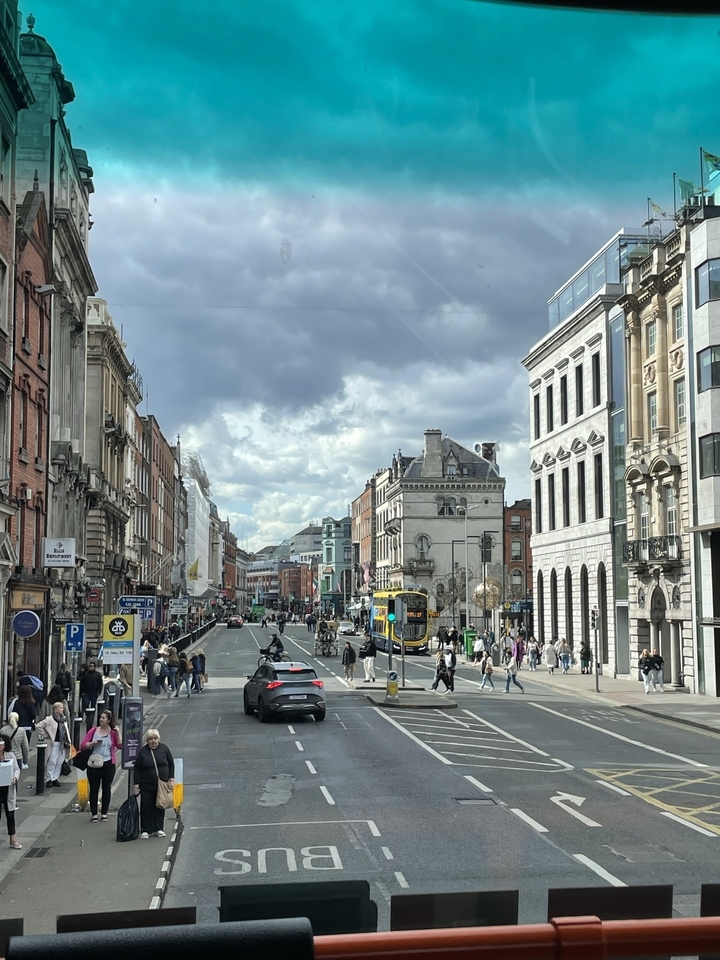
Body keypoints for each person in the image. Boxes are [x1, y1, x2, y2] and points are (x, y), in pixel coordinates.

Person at [80, 709, 122, 822]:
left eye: (103, 718)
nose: (101, 719)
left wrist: (118, 733)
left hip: (108, 763)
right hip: (94, 763)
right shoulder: (93, 731)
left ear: (109, 720)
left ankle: (104, 813)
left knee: (106, 788)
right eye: (100, 717)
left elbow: (120, 745)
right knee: (94, 788)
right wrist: (93, 743)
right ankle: (94, 814)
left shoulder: (113, 733)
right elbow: (83, 745)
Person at [133, 729, 174, 839]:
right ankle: (145, 830)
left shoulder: (164, 749)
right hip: (146, 784)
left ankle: (159, 829)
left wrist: (171, 779)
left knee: (160, 806)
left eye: (155, 738)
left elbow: (171, 763)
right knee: (146, 807)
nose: (153, 741)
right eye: (150, 739)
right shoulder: (143, 751)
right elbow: (137, 768)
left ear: (159, 739)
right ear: (147, 740)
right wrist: (136, 785)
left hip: (161, 784)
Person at [36, 701, 71, 788]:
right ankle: (49, 779)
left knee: (59, 761)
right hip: (54, 743)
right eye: (61, 708)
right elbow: (39, 726)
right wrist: (46, 735)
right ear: (55, 709)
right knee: (52, 761)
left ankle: (55, 778)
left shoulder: (64, 719)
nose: (62, 709)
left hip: (63, 743)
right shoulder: (49, 719)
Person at [0, 735, 22, 849]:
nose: (0, 746)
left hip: (8, 790)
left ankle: (13, 840)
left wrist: (15, 778)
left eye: (2, 743)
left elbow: (17, 769)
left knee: (10, 815)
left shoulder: (11, 756)